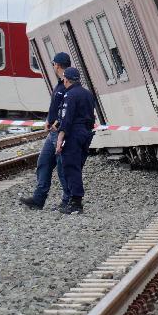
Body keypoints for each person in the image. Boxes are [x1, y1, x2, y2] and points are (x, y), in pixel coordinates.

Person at [20, 52, 72, 210]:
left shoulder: (67, 85)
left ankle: (67, 200)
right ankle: (38, 199)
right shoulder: (61, 83)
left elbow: (66, 108)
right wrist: (49, 121)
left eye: (54, 64)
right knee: (43, 162)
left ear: (57, 65)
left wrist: (56, 122)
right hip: (53, 133)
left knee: (62, 167)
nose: (53, 67)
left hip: (60, 132)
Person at [56, 66, 96, 214]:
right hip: (86, 133)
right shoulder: (88, 94)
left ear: (66, 79)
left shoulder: (70, 95)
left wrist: (60, 139)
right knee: (77, 166)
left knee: (71, 167)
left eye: (64, 79)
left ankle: (76, 202)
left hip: (74, 133)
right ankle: (74, 200)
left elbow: (67, 119)